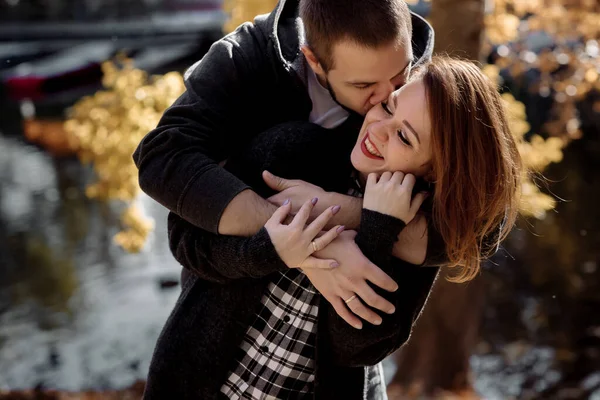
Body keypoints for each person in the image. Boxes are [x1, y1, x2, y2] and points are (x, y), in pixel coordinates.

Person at [142, 57, 523, 399]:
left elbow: (356, 349)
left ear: (437, 172)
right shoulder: (292, 151)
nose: (379, 129)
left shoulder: (412, 234)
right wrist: (271, 250)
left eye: (405, 137)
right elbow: (188, 242)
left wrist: (377, 228)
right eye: (388, 106)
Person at [132, 0, 436, 324]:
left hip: (334, 339)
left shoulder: (420, 82)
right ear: (313, 60)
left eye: (400, 74)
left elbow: (475, 232)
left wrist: (342, 211)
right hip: (225, 311)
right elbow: (160, 158)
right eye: (364, 86)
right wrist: (308, 240)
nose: (387, 97)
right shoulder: (243, 59)